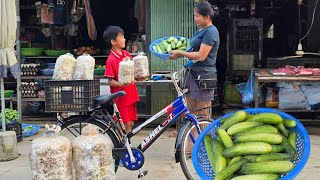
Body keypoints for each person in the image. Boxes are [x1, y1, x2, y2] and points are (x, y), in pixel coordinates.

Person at [170, 1, 220, 118]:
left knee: (202, 112)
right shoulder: (200, 30)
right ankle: (191, 135)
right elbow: (192, 48)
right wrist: (179, 52)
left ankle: (202, 135)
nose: (195, 19)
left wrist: (181, 53)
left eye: (197, 16)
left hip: (203, 76)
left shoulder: (211, 31)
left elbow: (201, 56)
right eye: (194, 16)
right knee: (191, 109)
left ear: (206, 17)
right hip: (193, 74)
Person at [103, 26, 140, 133]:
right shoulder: (111, 60)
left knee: (131, 122)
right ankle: (122, 145)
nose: (124, 39)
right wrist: (122, 84)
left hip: (131, 94)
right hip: (121, 97)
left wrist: (138, 76)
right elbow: (110, 81)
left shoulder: (127, 55)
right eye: (121, 37)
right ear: (113, 41)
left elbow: (133, 73)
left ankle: (126, 145)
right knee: (124, 123)